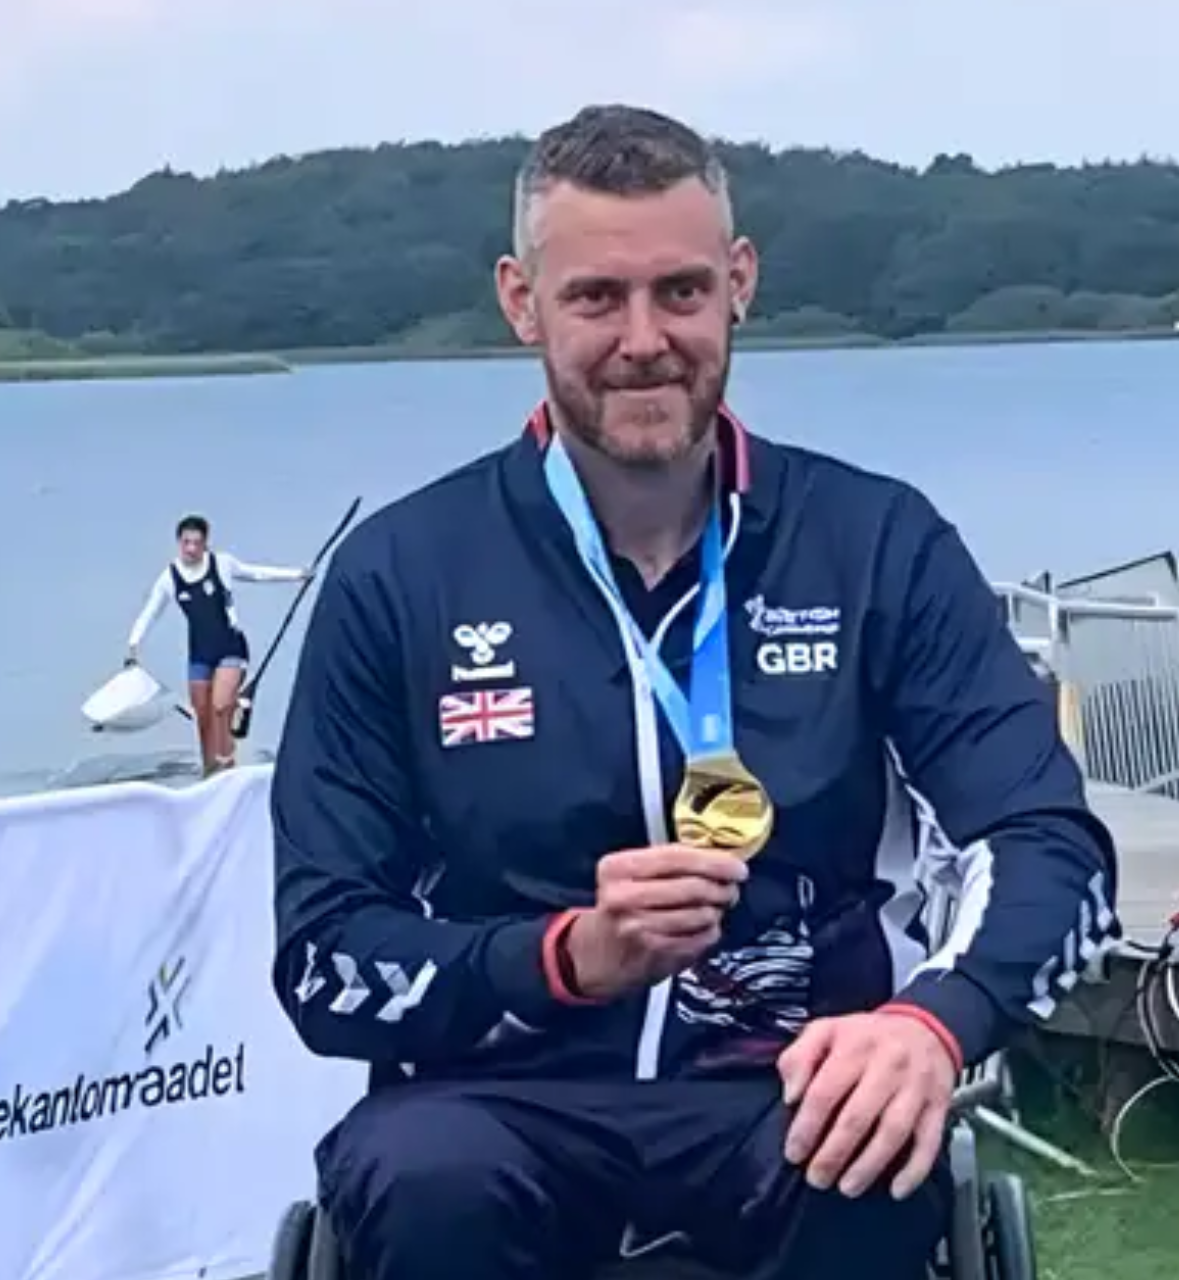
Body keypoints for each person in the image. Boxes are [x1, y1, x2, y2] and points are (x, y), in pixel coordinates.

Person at [270, 104, 1120, 1280]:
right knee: (424, 1181)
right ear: (521, 301)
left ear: (740, 283)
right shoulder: (400, 574)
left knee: (872, 1157)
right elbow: (323, 953)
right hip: (492, 1098)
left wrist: (934, 1018)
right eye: (595, 297)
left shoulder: (876, 543)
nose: (644, 339)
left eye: (680, 291)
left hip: (791, 1083)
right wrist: (563, 955)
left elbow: (1047, 843)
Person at [126, 514, 308, 775]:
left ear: (205, 543)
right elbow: (149, 613)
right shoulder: (169, 578)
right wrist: (133, 645)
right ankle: (210, 770)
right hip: (199, 655)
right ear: (179, 543)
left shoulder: (222, 564)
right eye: (186, 543)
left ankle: (227, 763)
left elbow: (256, 573)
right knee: (203, 716)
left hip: (231, 647)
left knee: (220, 706)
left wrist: (297, 575)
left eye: (197, 543)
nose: (191, 549)